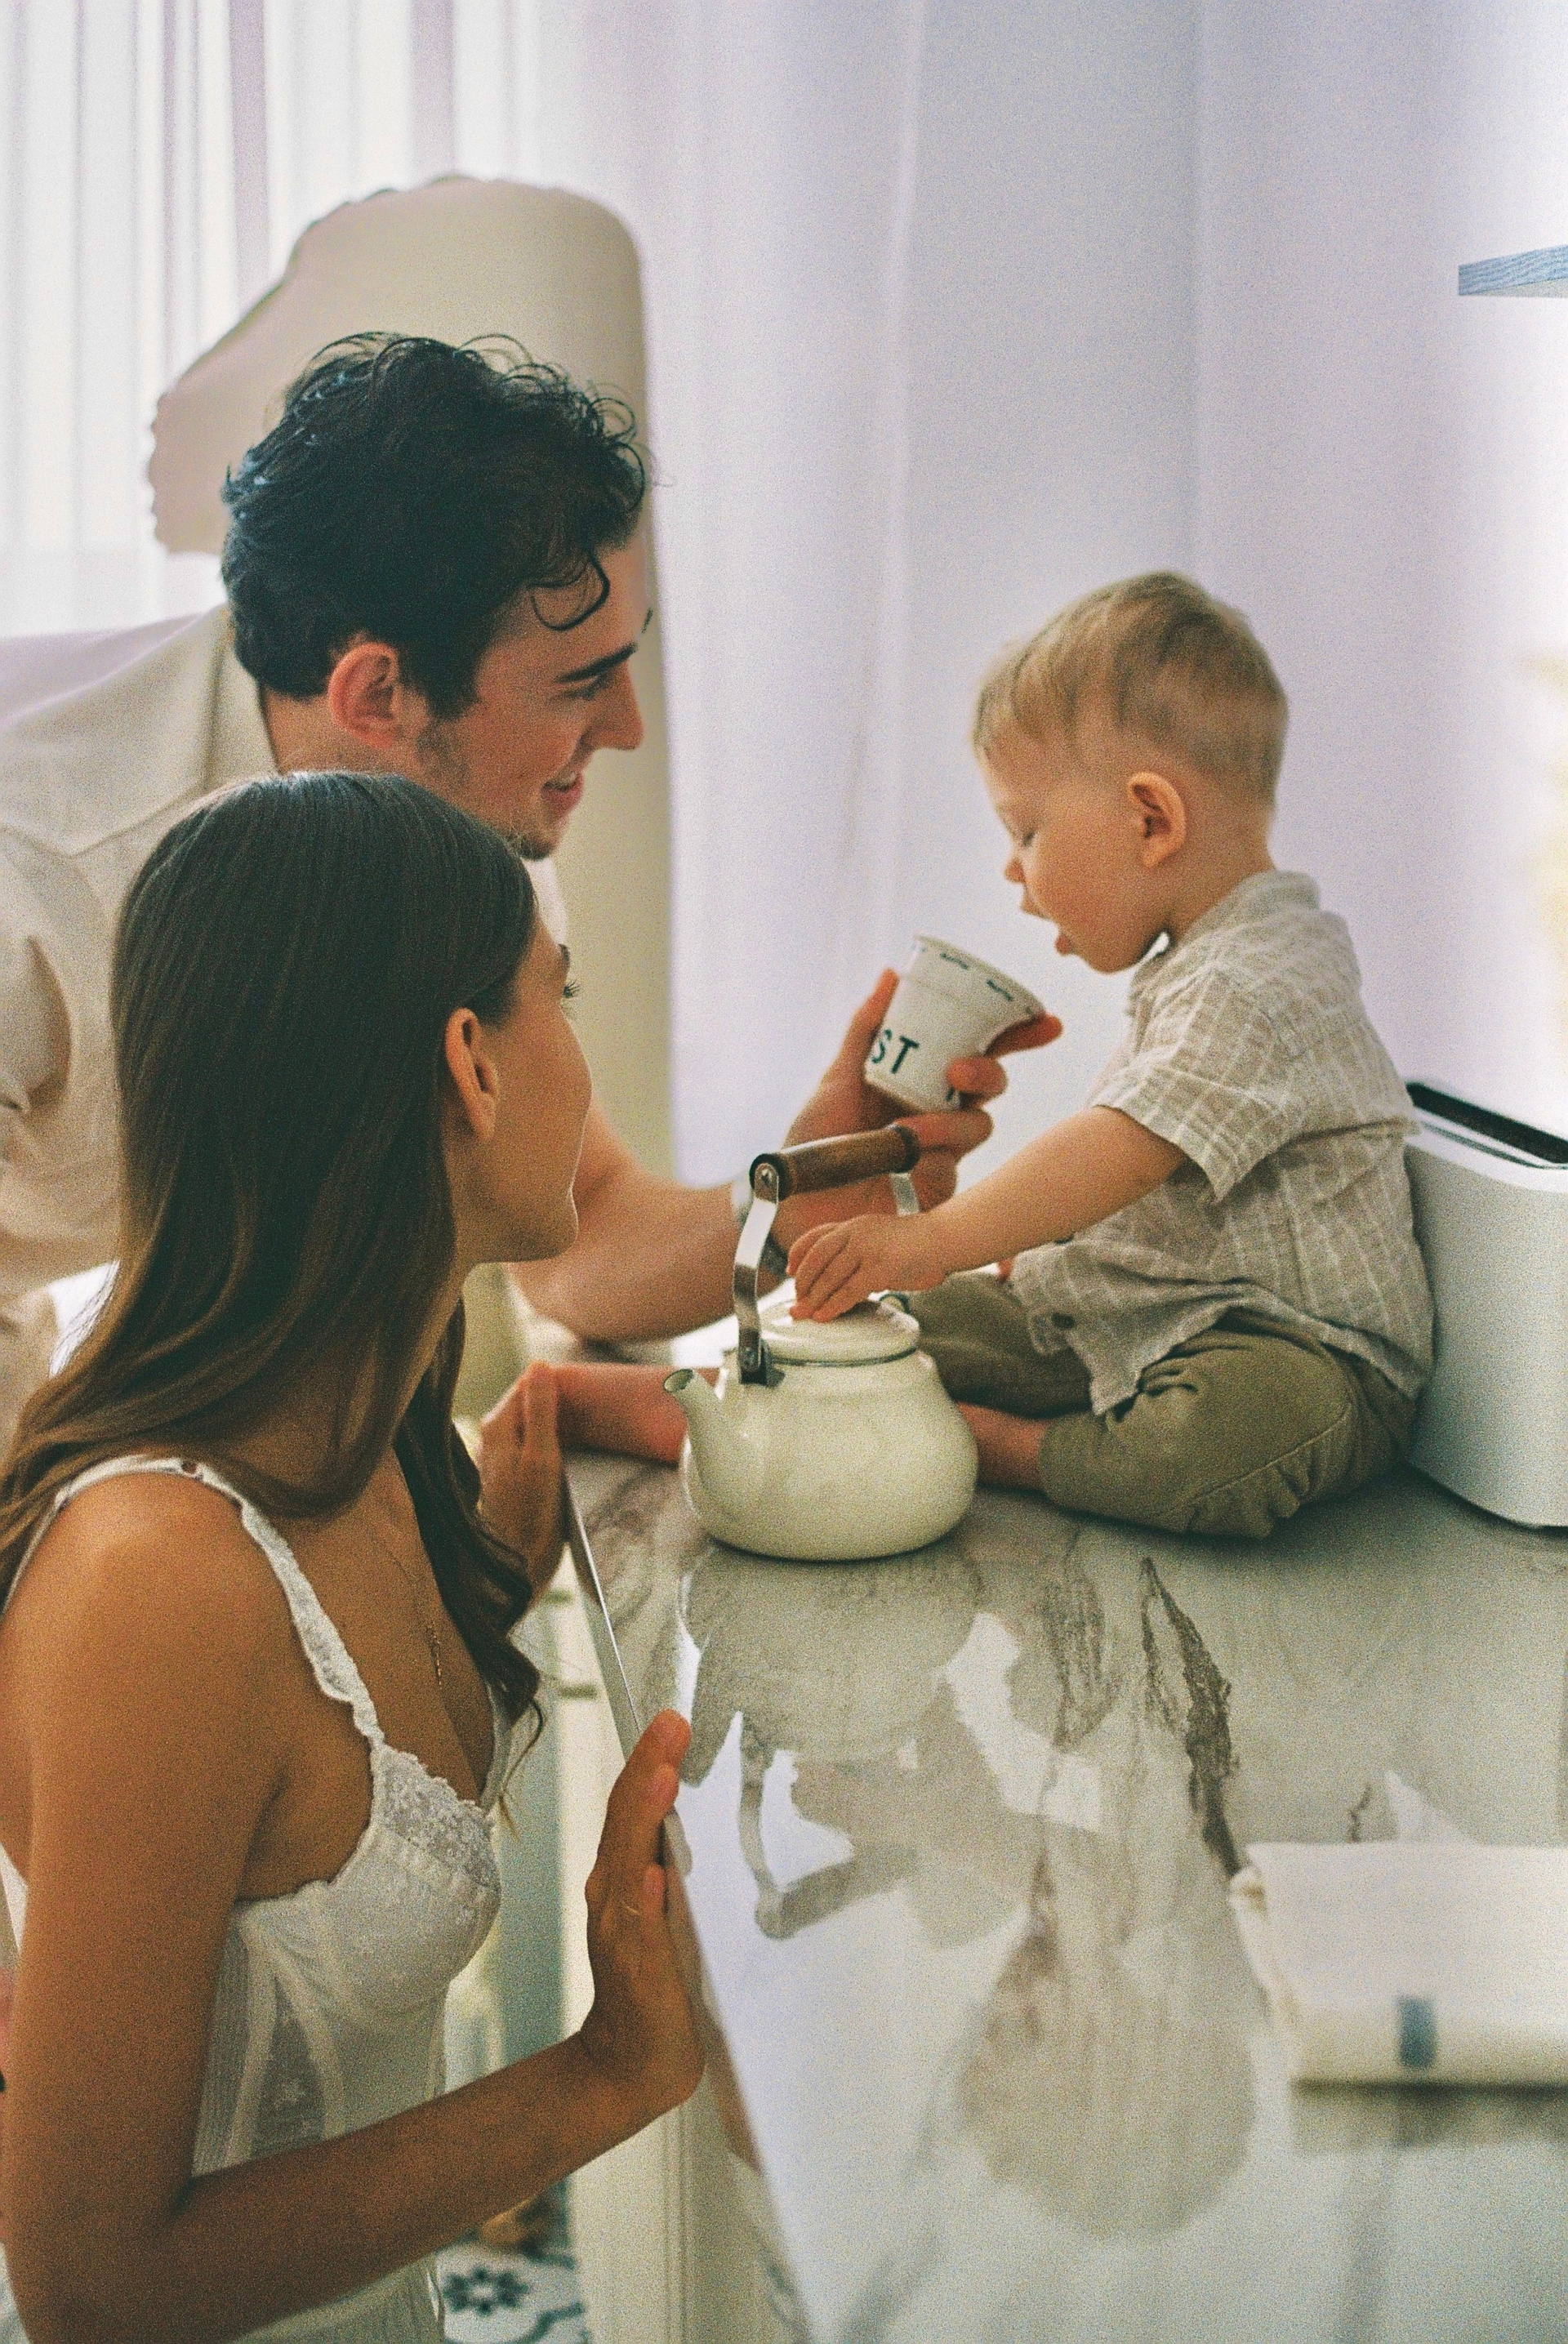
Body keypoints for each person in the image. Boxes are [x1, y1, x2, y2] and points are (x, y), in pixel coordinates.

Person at [0, 333, 1046, 1451]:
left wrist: (786, 1206)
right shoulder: (39, 888)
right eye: (581, 683)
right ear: (378, 693)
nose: (628, 728)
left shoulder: (468, 818)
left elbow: (579, 1230)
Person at [0, 772, 702, 2343]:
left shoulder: (373, 1441)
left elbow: (302, 1767)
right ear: (471, 1065)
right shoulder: (157, 1580)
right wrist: (606, 2073)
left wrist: (500, 1555)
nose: (580, 1059)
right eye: (563, 999)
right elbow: (91, 2289)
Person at [563, 574, 1432, 1541]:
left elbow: (1121, 1148)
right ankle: (710, 1401)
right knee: (907, 1321)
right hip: (1158, 1310)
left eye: (1026, 830)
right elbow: (1154, 1182)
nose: (1013, 870)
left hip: (1294, 1349)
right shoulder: (1201, 964)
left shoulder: (1262, 975)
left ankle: (1001, 1445)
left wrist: (941, 1237)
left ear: (1151, 819)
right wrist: (1025, 1252)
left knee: (1213, 1440)